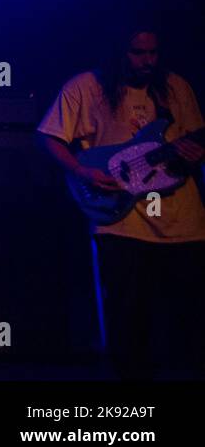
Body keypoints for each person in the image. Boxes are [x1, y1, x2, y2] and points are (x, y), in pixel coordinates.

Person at [36, 24, 205, 378]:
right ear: (118, 51)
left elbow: (192, 141)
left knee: (186, 317)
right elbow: (50, 137)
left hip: (182, 220)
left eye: (153, 53)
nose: (147, 61)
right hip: (120, 218)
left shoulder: (176, 88)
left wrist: (192, 153)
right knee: (129, 317)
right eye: (137, 53)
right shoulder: (86, 87)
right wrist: (83, 172)